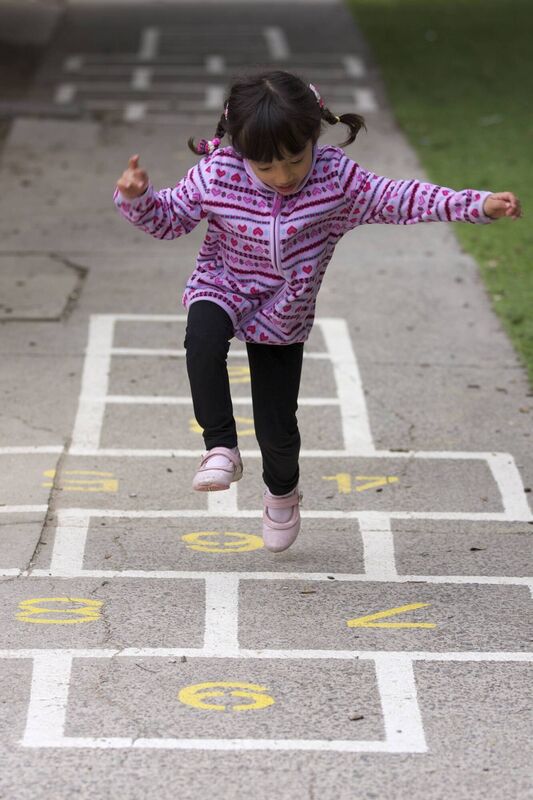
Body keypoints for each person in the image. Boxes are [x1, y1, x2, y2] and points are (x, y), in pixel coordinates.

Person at [113, 69, 522, 554]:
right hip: (222, 283)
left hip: (284, 309)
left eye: (293, 160)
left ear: (314, 138)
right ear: (241, 152)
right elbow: (169, 220)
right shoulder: (216, 174)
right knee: (201, 339)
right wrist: (138, 199)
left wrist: (476, 204)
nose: (283, 176)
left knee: (277, 428)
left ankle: (282, 494)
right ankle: (219, 447)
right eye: (266, 167)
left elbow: (401, 197)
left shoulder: (336, 179)